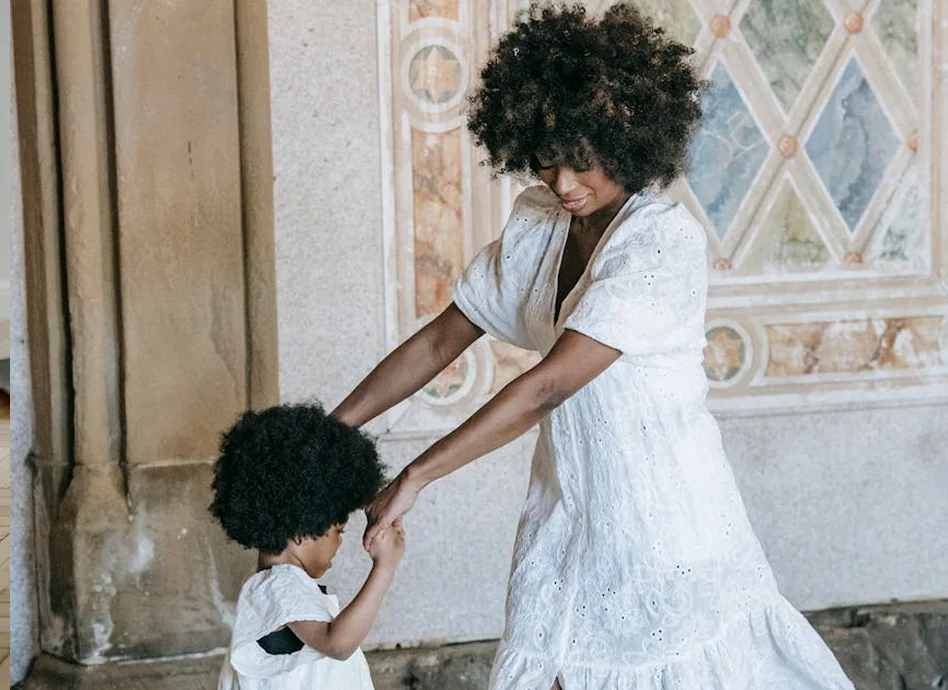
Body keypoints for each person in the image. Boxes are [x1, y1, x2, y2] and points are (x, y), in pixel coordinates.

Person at [334, 4, 854, 689]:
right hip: (566, 518)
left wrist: (416, 476)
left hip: (667, 529)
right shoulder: (539, 226)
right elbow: (440, 339)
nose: (564, 185)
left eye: (582, 165)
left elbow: (548, 385)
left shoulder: (661, 244)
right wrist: (329, 431)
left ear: (628, 136)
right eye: (548, 164)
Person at [209, 403, 405, 690]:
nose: (339, 543)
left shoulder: (267, 580)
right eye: (338, 532)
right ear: (301, 531)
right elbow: (338, 644)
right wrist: (385, 567)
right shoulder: (280, 585)